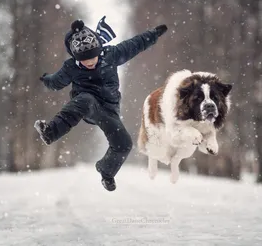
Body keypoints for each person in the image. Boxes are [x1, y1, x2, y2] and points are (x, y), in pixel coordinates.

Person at [34, 17, 167, 191]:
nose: (89, 62)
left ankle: (106, 170)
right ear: (76, 57)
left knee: (124, 143)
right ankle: (50, 132)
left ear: (99, 51)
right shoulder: (70, 67)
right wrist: (46, 79)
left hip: (110, 110)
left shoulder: (111, 54)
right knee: (85, 99)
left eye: (92, 58)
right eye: (84, 60)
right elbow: (56, 82)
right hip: (87, 107)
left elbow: (134, 45)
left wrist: (153, 34)